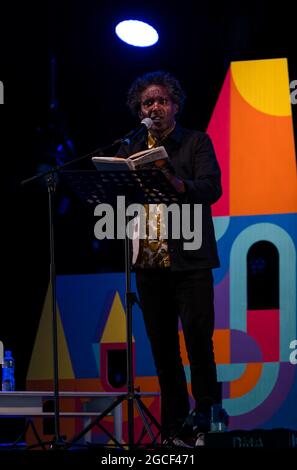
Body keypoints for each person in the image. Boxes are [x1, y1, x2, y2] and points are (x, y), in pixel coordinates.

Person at [117, 71, 222, 447]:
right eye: (148, 103)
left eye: (162, 100)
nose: (155, 107)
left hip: (190, 262)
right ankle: (175, 429)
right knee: (163, 351)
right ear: (139, 110)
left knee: (198, 346)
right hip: (149, 262)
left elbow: (212, 188)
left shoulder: (196, 142)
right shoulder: (130, 149)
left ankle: (207, 427)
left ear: (175, 105)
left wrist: (179, 184)